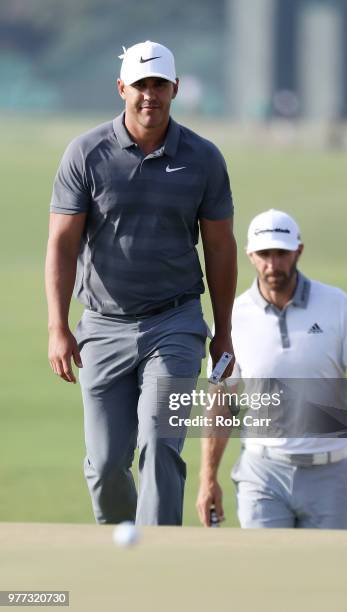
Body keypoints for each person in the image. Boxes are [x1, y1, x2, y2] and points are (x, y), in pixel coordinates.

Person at [45, 40, 237, 525]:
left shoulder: (203, 158)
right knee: (107, 465)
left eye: (158, 85)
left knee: (160, 443)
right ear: (121, 88)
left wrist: (225, 333)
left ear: (174, 88)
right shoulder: (86, 154)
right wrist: (57, 325)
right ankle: (124, 550)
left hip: (175, 322)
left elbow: (219, 248)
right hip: (103, 326)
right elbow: (62, 246)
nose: (149, 95)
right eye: (140, 85)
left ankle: (161, 565)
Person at [196, 209, 347, 529]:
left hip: (329, 475)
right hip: (261, 474)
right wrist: (207, 478)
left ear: (298, 250)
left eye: (282, 253)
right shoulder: (232, 319)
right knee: (264, 576)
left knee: (326, 577)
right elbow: (220, 404)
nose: (273, 264)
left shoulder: (337, 305)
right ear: (250, 255)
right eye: (264, 254)